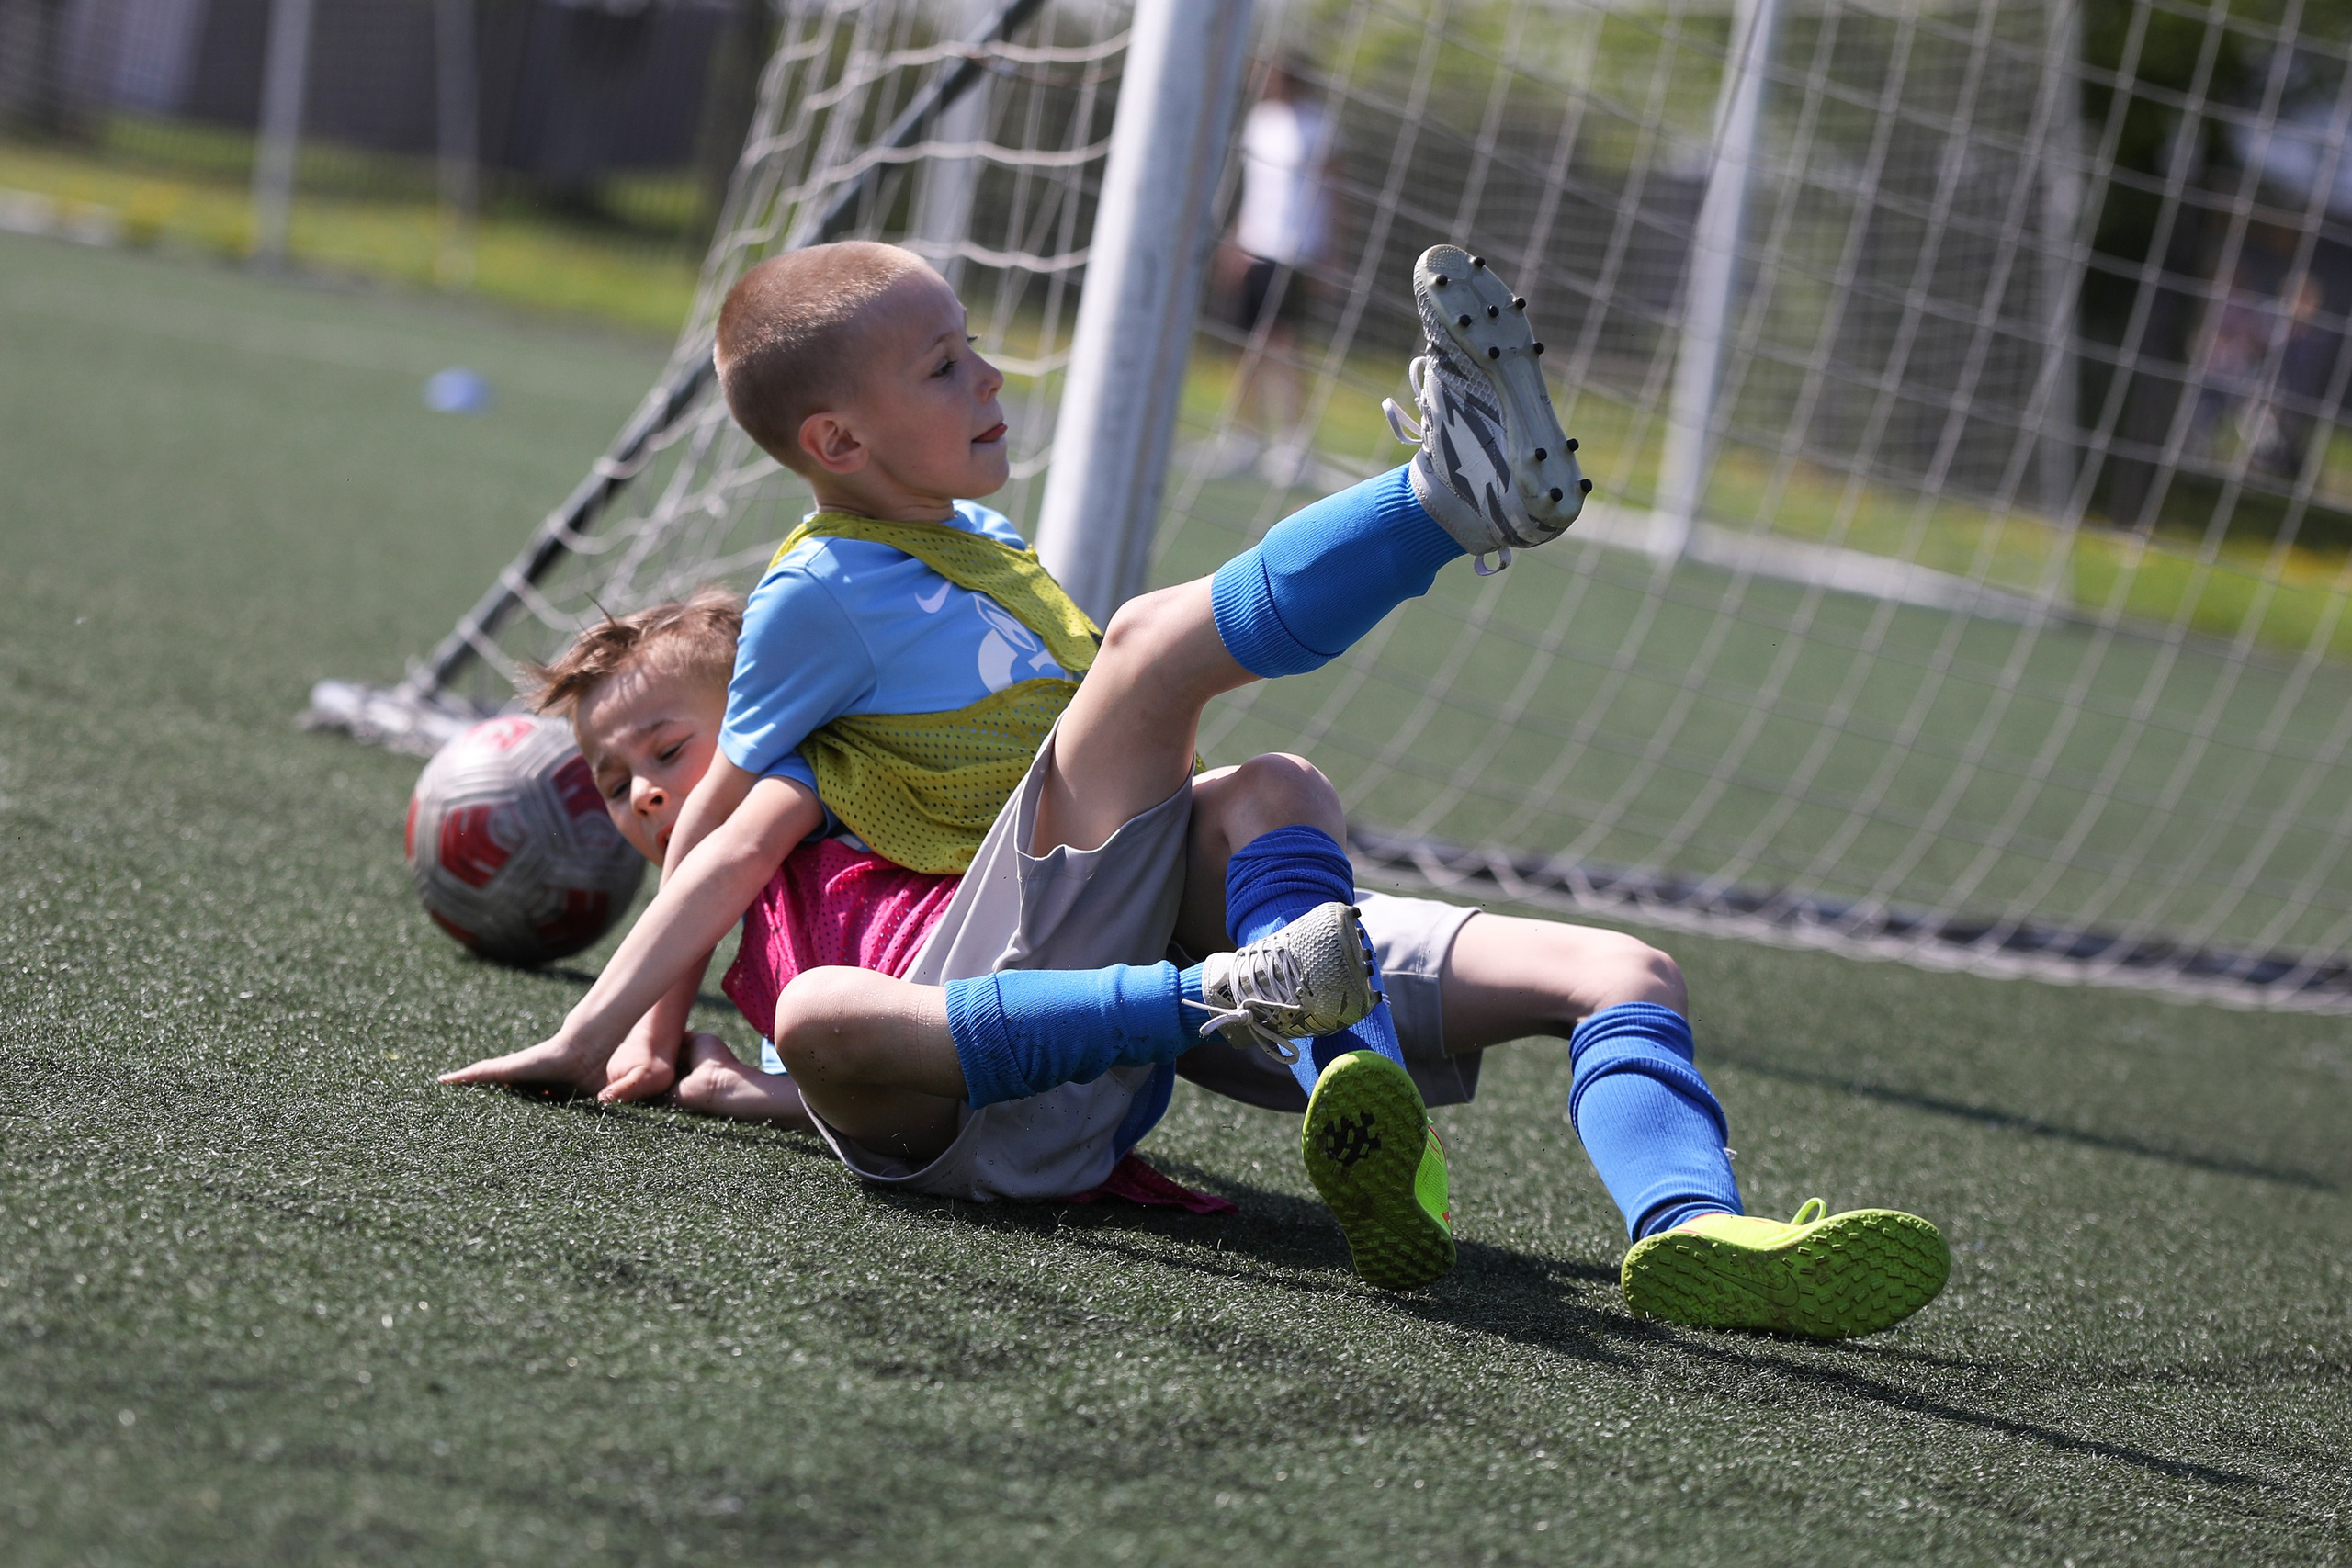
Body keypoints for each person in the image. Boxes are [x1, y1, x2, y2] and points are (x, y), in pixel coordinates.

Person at [444, 239, 1948, 1336]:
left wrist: (670, 1042)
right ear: (836, 439)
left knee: (1603, 955)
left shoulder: (973, 573)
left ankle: (1686, 1222)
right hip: (1014, 1049)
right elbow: (721, 849)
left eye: (665, 742)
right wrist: (611, 1028)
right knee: (1138, 673)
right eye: (945, 362)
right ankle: (1448, 500)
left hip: (1083, 1022)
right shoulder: (821, 611)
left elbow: (721, 858)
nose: (989, 374)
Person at [1222, 58, 1334, 483]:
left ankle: (1294, 444)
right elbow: (1255, 189)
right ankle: (1244, 439)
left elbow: (1334, 194)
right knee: (1246, 346)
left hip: (1298, 251)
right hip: (1255, 248)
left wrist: (1330, 251)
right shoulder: (1259, 122)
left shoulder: (1318, 126)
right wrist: (1236, 240)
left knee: (1283, 344)